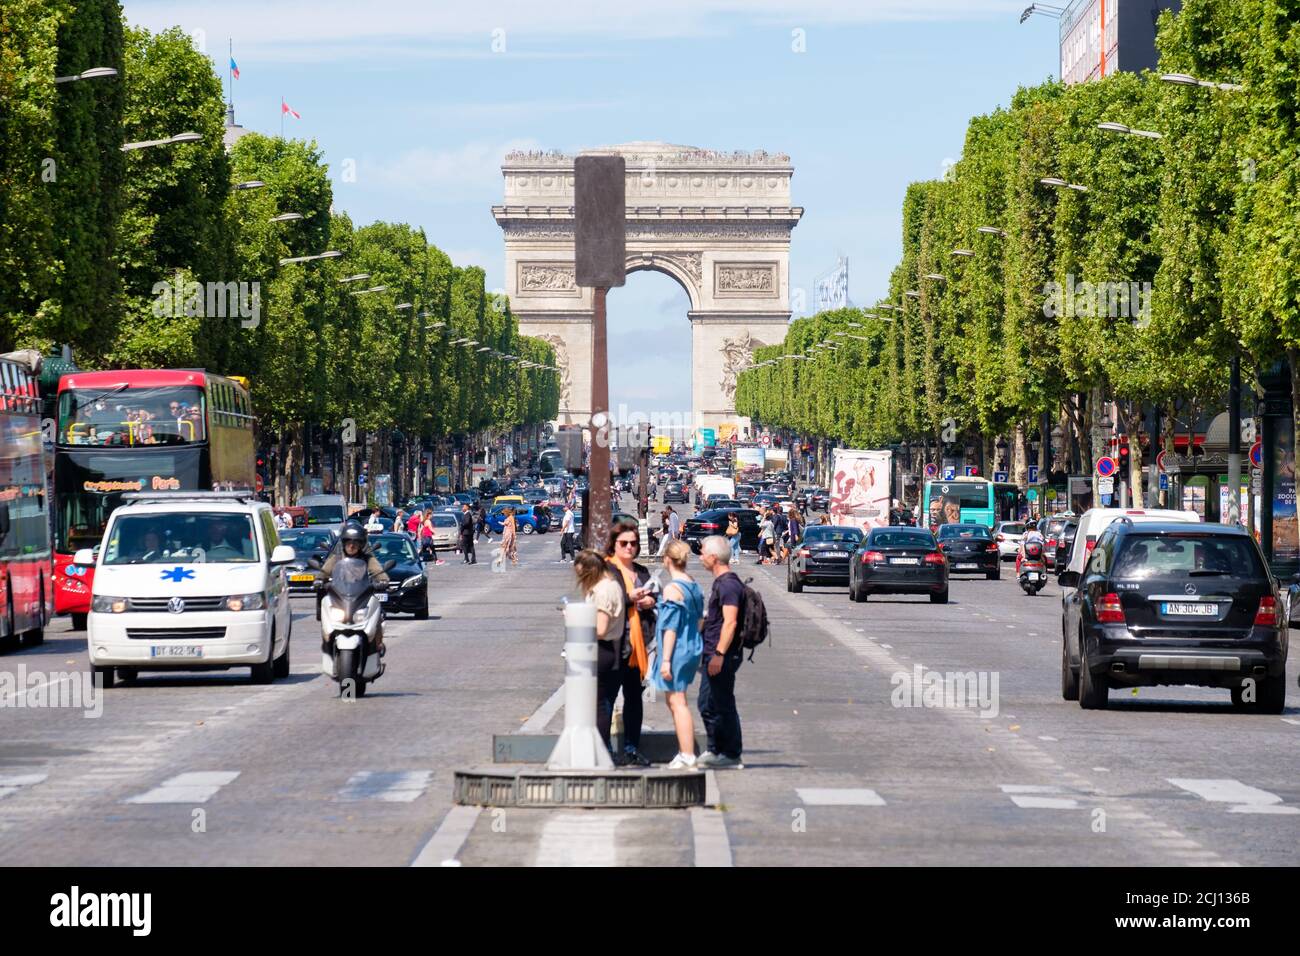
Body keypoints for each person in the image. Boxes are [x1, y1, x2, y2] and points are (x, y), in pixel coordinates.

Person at [603, 518, 655, 767]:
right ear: (614, 544)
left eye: (633, 544)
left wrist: (650, 601)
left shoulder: (642, 572)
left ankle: (631, 748)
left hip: (637, 647)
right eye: (624, 543)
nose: (629, 548)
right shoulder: (607, 570)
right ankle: (604, 751)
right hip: (613, 646)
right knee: (606, 700)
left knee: (634, 699)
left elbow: (654, 595)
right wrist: (629, 598)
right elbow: (602, 602)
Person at [650, 539, 704, 769]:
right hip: (692, 644)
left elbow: (670, 627)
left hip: (677, 649)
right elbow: (700, 619)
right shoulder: (693, 584)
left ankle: (687, 753)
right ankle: (685, 751)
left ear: (667, 560)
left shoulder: (673, 588)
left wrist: (665, 660)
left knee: (677, 701)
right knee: (676, 700)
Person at [696, 535, 745, 769]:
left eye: (703, 552)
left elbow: (730, 622)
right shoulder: (721, 582)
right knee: (710, 702)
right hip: (714, 651)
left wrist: (719, 654)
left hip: (722, 654)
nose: (700, 557)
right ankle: (717, 749)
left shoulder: (728, 584)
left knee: (718, 702)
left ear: (713, 558)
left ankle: (730, 752)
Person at [321, 522, 389, 654]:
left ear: (361, 545)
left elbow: (379, 571)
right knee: (326, 613)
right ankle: (327, 644)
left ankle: (377, 645)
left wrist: (382, 581)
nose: (352, 546)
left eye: (356, 543)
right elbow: (324, 572)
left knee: (378, 614)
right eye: (349, 543)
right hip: (340, 596)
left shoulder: (367, 558)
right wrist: (319, 580)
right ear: (344, 543)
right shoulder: (336, 558)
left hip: (361, 596)